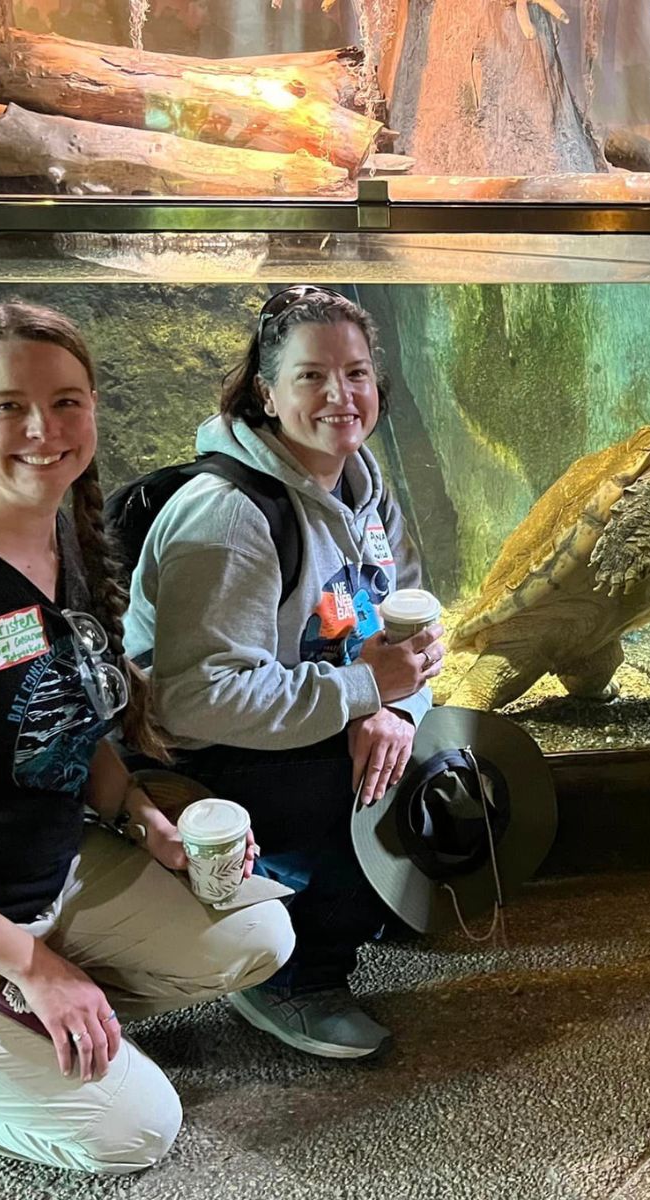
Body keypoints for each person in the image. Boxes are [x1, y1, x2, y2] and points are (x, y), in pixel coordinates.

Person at [0, 302, 294, 1176]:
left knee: (260, 932)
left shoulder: (63, 539)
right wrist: (33, 964)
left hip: (47, 878)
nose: (44, 430)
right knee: (134, 1130)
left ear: (94, 409)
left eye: (68, 402)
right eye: (9, 407)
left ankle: (14, 1024)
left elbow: (64, 721)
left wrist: (146, 819)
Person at [124, 286, 444, 1060]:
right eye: (311, 377)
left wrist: (393, 710)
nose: (342, 395)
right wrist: (362, 695)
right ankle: (291, 977)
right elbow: (196, 701)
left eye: (358, 373)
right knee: (344, 787)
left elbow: (407, 640)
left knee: (435, 754)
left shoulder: (364, 489)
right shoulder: (229, 515)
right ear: (267, 393)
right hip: (189, 748)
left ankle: (357, 905)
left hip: (315, 703)